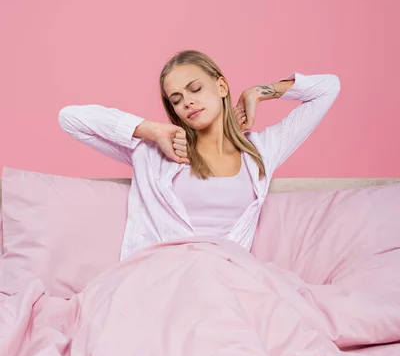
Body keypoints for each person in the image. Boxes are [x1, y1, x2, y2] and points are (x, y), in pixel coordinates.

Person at [58, 49, 340, 260]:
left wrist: (257, 92)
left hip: (227, 284)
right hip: (163, 281)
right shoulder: (154, 152)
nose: (188, 102)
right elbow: (70, 118)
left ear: (221, 86)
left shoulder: (262, 151)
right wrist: (152, 130)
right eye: (176, 100)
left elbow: (328, 87)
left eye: (195, 89)